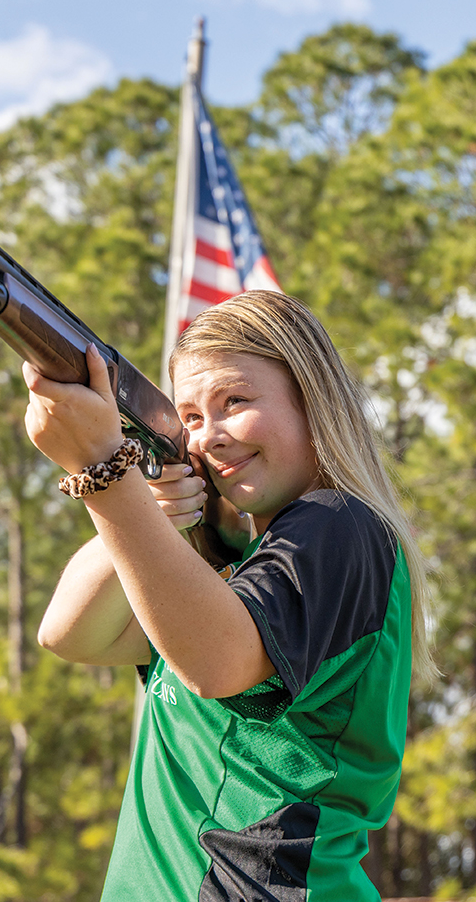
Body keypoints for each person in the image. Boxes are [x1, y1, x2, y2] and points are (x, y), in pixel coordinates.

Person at [22, 290, 434, 901]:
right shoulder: (226, 565)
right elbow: (69, 633)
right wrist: (147, 509)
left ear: (311, 399)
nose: (207, 437)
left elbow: (219, 663)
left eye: (234, 401)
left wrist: (107, 467)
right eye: (189, 417)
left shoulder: (342, 525)